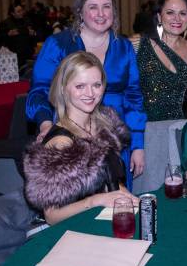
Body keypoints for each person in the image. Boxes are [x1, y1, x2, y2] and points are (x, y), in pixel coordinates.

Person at [26, 0, 146, 186]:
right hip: (72, 132)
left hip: (116, 137)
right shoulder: (58, 44)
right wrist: (46, 124)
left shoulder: (124, 46)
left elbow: (133, 97)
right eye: (93, 7)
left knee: (118, 195)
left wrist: (137, 145)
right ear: (80, 12)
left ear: (114, 12)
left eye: (106, 7)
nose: (101, 14)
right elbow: (39, 90)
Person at [23, 51, 138, 225]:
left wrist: (129, 199)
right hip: (75, 230)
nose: (90, 93)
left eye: (97, 85)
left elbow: (112, 180)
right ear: (63, 88)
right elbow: (52, 216)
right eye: (80, 86)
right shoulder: (61, 143)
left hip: (105, 220)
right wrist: (95, 201)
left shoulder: (104, 126)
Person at [136, 0, 187, 121]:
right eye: (170, 13)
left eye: (182, 13)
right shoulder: (139, 44)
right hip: (142, 125)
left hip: (178, 126)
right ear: (159, 17)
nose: (177, 18)